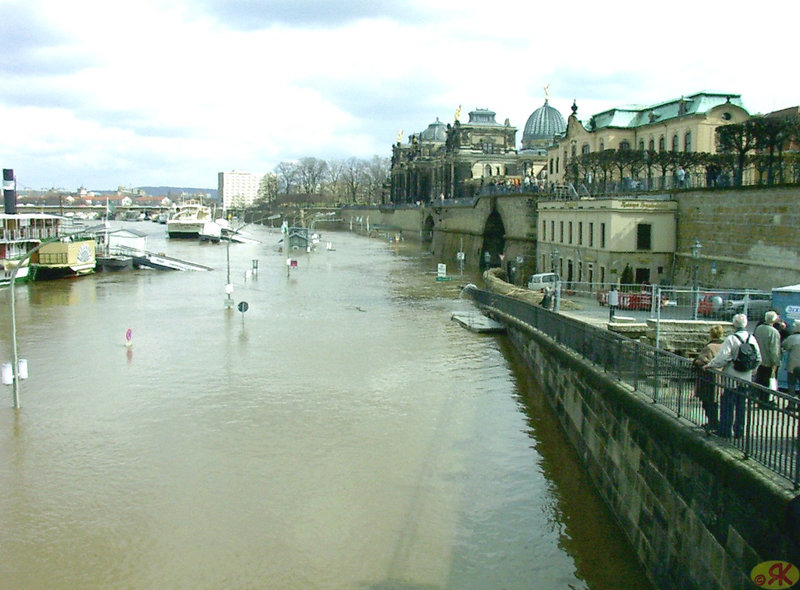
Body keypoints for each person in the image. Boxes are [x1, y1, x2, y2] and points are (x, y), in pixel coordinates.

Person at [704, 313, 761, 439]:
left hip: (731, 376)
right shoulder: (752, 338)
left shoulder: (731, 339)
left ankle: (725, 431)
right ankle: (739, 431)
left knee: (727, 404)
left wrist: (710, 365)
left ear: (733, 325)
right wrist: (751, 370)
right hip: (745, 377)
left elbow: (723, 357)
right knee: (741, 405)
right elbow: (758, 358)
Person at [693, 325, 725, 431]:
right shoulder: (724, 346)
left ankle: (712, 423)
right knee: (715, 402)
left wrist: (696, 362)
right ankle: (715, 422)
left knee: (708, 403)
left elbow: (701, 361)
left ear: (711, 335)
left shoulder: (709, 347)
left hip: (708, 379)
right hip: (721, 378)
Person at [753, 310, 781, 406]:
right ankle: (765, 402)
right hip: (768, 361)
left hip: (759, 360)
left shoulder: (758, 328)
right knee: (768, 382)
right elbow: (774, 350)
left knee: (759, 380)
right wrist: (776, 363)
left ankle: (759, 398)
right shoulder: (774, 332)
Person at [782, 322, 800, 412]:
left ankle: (791, 404)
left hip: (792, 366)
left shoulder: (791, 338)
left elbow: (784, 346)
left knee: (791, 385)